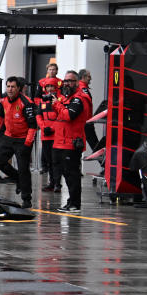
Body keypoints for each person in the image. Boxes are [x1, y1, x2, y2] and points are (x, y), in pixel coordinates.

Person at [42, 70, 92, 213]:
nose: (67, 84)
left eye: (70, 81)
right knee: (65, 173)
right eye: (65, 81)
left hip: (72, 142)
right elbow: (59, 118)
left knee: (72, 174)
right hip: (60, 141)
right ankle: (71, 201)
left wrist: (57, 105)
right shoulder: (64, 98)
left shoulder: (79, 99)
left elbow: (68, 115)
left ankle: (75, 204)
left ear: (77, 82)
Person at [0, 77, 38, 209]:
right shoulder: (4, 99)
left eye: (13, 87)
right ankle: (17, 179)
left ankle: (26, 198)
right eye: (8, 86)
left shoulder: (26, 102)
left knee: (24, 169)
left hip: (23, 139)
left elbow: (33, 126)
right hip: (8, 136)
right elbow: (0, 116)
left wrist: (28, 142)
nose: (10, 89)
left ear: (18, 89)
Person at [37, 77, 62, 193]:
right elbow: (38, 116)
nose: (50, 88)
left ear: (56, 87)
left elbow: (62, 117)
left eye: (52, 86)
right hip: (45, 135)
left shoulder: (60, 100)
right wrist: (43, 127)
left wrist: (52, 128)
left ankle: (57, 183)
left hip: (56, 135)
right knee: (49, 161)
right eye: (48, 87)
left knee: (56, 161)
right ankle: (52, 183)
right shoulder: (42, 101)